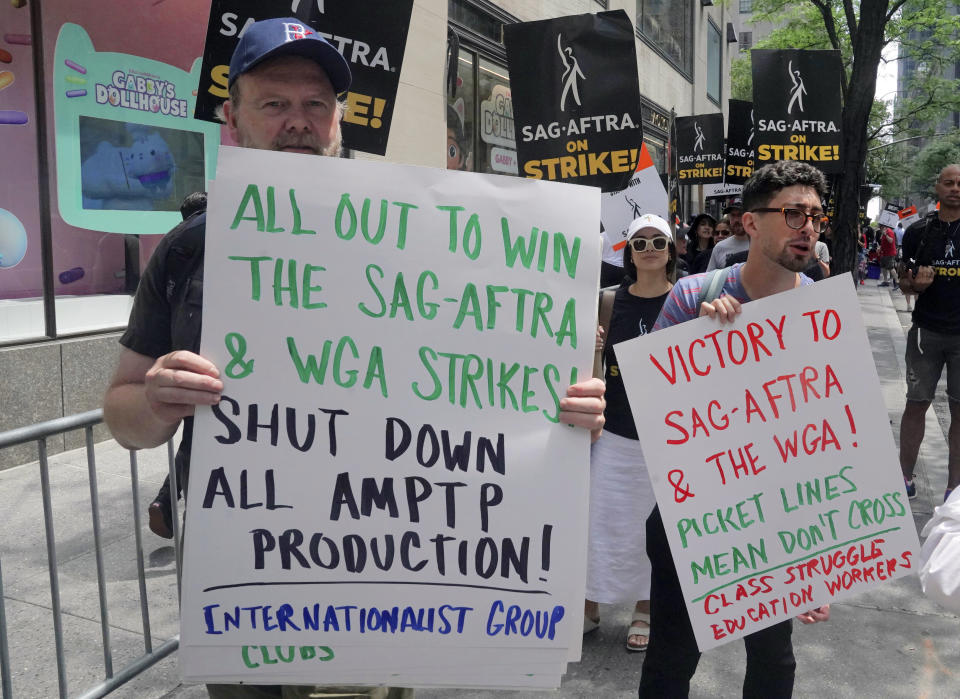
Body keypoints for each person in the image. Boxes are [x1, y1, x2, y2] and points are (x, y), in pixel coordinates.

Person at [102, 18, 607, 699]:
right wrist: (156, 400)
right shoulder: (192, 246)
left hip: (379, 558)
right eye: (274, 104)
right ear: (233, 116)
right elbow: (124, 411)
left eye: (316, 105)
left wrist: (568, 409)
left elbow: (498, 381)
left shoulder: (432, 232)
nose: (298, 122)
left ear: (341, 116)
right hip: (241, 556)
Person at [638, 161, 831, 698]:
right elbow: (651, 410)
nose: (808, 228)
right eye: (793, 214)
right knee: (670, 660)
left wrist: (823, 550)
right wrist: (700, 346)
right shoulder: (690, 297)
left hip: (779, 518)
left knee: (774, 662)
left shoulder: (822, 314)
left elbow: (829, 437)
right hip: (692, 515)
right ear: (750, 223)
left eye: (815, 216)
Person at [585, 214, 676, 652]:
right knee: (600, 519)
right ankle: (590, 603)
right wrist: (593, 349)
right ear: (628, 253)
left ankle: (646, 607)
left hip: (666, 437)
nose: (649, 249)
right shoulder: (607, 301)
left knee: (653, 529)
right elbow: (594, 369)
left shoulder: (687, 300)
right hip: (616, 431)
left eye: (658, 241)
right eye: (640, 243)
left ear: (671, 249)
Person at [146, 191, 208, 539]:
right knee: (197, 440)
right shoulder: (196, 247)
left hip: (183, 363)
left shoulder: (177, 247)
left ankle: (167, 502)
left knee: (195, 438)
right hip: (207, 367)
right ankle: (170, 504)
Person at [898, 164, 960, 503]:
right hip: (926, 331)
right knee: (916, 404)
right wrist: (915, 286)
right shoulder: (918, 231)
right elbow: (903, 281)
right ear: (937, 188)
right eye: (948, 182)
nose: (955, 188)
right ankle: (904, 477)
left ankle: (954, 489)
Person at [705, 199, 748, 271]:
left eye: (739, 215)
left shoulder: (759, 244)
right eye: (733, 215)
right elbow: (710, 278)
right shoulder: (720, 247)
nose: (736, 220)